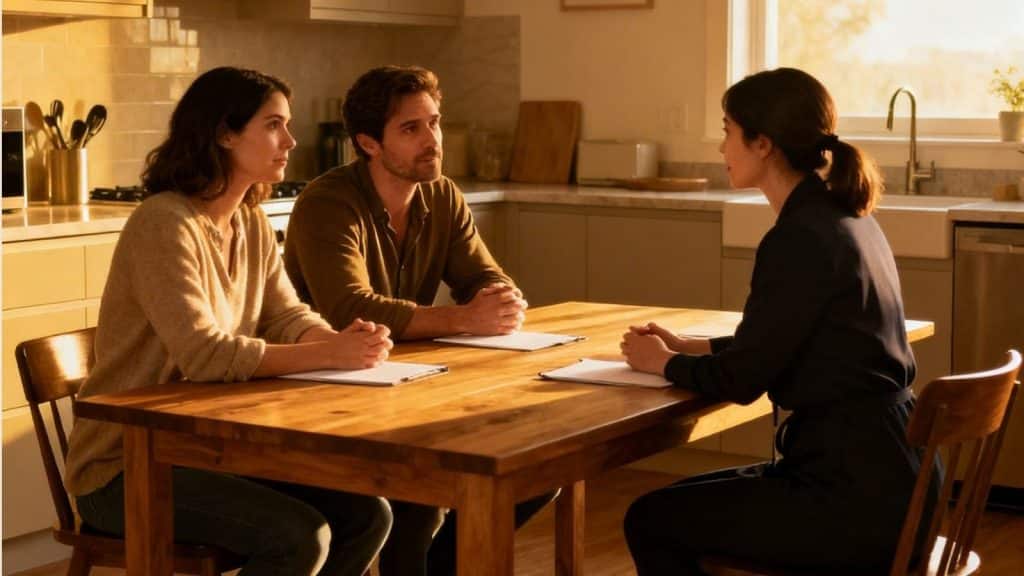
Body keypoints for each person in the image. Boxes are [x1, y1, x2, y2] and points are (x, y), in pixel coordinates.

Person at [64, 67, 395, 576]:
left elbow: (284, 313)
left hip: (211, 449)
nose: (290, 139)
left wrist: (341, 341)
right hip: (126, 468)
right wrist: (328, 354)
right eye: (273, 125)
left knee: (367, 515)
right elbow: (205, 354)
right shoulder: (162, 224)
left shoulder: (250, 221)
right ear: (224, 133)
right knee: (297, 538)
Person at [619, 67, 940, 574]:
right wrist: (688, 348)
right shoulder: (847, 217)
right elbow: (787, 339)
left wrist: (661, 364)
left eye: (727, 130)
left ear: (763, 143)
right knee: (671, 505)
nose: (721, 147)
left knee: (652, 519)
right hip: (898, 481)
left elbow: (743, 380)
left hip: (854, 498)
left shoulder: (799, 237)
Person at [283, 65, 553, 576]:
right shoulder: (328, 202)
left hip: (405, 381)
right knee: (421, 487)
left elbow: (483, 274)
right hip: (324, 394)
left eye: (435, 123)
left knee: (536, 465)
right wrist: (466, 318)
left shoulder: (441, 194)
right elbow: (349, 308)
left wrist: (500, 298)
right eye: (412, 129)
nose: (433, 141)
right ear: (368, 143)